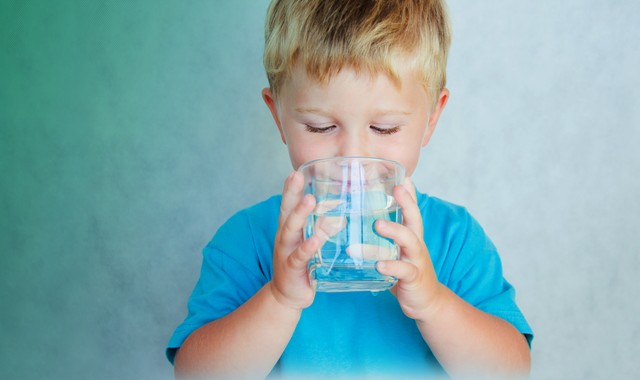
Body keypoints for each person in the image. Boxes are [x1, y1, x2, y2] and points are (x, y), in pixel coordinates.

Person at [167, 0, 533, 378]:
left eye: (385, 128)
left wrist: (434, 304)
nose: (352, 159)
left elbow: (512, 371)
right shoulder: (248, 240)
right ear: (278, 115)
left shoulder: (456, 239)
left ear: (431, 118)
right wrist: (279, 298)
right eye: (321, 127)